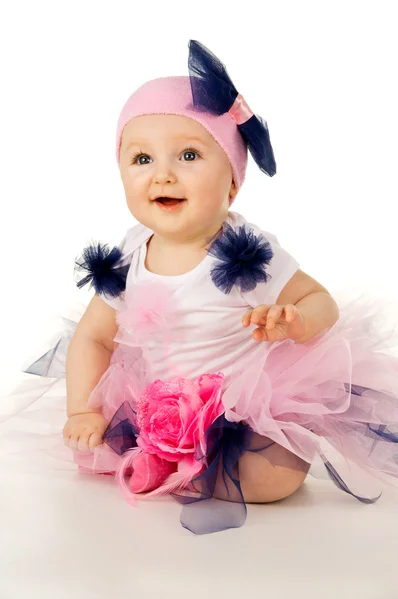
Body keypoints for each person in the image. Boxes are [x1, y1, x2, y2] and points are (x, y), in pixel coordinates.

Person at [25, 40, 398, 534]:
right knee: (100, 447)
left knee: (277, 477)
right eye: (141, 159)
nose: (162, 173)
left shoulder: (244, 251)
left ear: (232, 183)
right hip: (159, 407)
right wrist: (82, 410)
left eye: (188, 154)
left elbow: (318, 299)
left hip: (240, 408)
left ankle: (187, 470)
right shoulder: (130, 255)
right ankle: (171, 458)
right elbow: (94, 336)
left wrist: (296, 320)